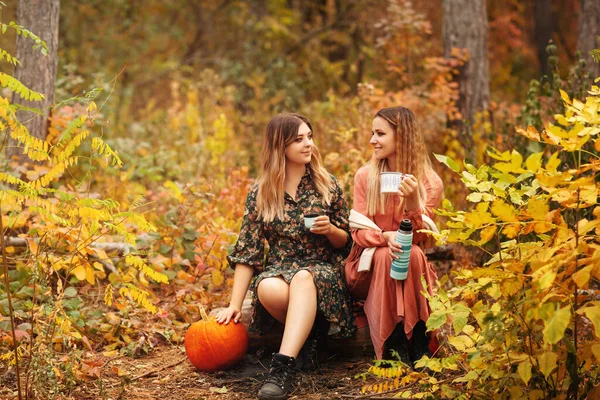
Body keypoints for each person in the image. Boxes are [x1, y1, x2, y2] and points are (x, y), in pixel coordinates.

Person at [216, 113, 356, 400]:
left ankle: (282, 368)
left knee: (304, 278)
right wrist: (233, 305)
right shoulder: (262, 192)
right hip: (280, 270)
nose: (309, 144)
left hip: (323, 271)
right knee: (266, 286)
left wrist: (330, 230)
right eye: (299, 139)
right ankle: (312, 336)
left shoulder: (327, 185)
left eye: (310, 137)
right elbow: (248, 251)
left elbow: (348, 243)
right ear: (280, 146)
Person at [344, 106, 443, 366]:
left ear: (402, 137)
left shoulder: (429, 183)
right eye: (372, 133)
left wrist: (412, 203)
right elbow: (359, 231)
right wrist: (385, 237)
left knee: (412, 252)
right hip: (366, 268)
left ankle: (416, 339)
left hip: (409, 266)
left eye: (380, 133)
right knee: (390, 254)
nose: (372, 140)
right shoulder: (366, 176)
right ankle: (397, 340)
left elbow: (424, 238)